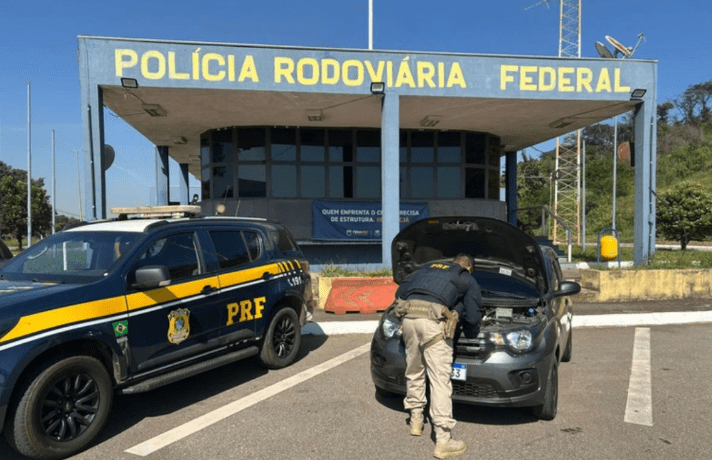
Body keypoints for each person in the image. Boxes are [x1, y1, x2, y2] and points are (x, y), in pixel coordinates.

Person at [395, 253, 483, 459]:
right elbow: (472, 316)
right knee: (439, 381)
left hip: (409, 320)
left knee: (414, 371)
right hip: (433, 325)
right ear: (468, 267)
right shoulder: (465, 277)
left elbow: (400, 292)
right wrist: (466, 325)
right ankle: (444, 440)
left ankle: (416, 420)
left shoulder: (426, 270)